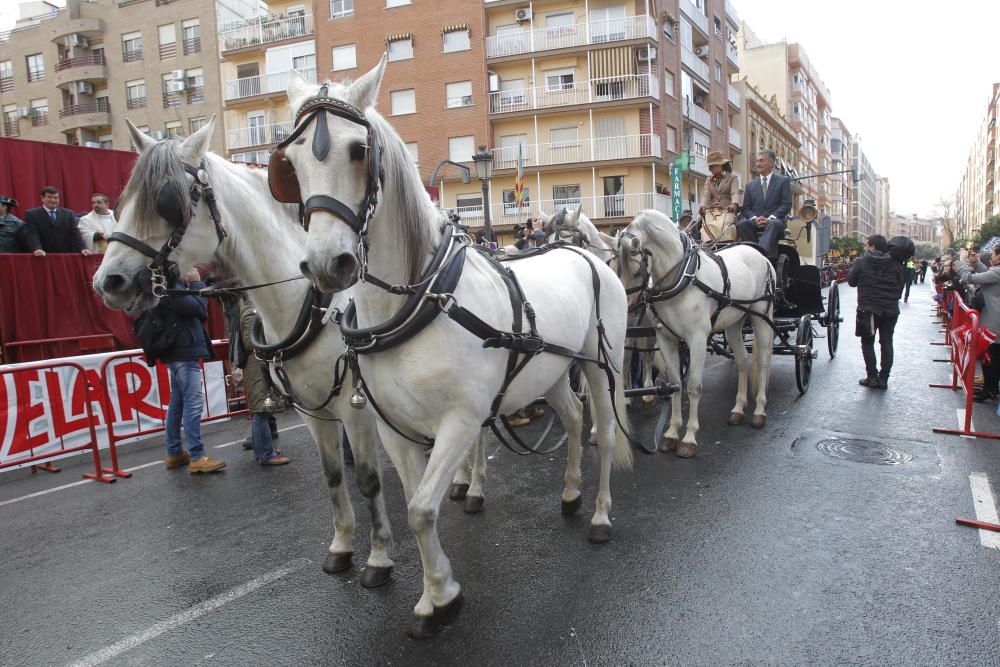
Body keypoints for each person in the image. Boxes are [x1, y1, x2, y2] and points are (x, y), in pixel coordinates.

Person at [162, 267, 226, 473]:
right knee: (192, 403)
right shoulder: (172, 287)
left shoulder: (165, 285)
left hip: (177, 351)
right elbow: (199, 308)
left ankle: (174, 452)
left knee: (178, 402)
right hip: (184, 351)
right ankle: (197, 456)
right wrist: (197, 283)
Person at [231, 295, 290, 466]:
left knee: (262, 411)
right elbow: (250, 343)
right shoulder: (251, 311)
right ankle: (266, 454)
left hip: (258, 367)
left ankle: (262, 449)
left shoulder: (252, 310)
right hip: (257, 369)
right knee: (261, 411)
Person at [848, 234, 903, 389]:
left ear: (872, 246)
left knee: (867, 341)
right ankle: (884, 378)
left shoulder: (861, 261)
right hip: (891, 310)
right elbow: (900, 286)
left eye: (867, 245)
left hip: (869, 309)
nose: (866, 247)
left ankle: (872, 377)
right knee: (887, 342)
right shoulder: (895, 263)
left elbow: (851, 282)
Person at [957, 247, 1000, 401]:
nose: (993, 256)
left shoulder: (998, 272)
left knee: (990, 356)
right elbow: (988, 274)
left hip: (994, 321)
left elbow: (970, 278)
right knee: (993, 355)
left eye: (994, 253)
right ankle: (991, 388)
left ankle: (990, 390)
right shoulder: (996, 272)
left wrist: (962, 262)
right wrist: (976, 263)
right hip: (994, 319)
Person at [737, 149, 792, 258]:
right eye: (757, 161)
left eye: (761, 161)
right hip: (755, 222)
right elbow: (746, 208)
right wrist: (754, 218)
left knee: (773, 224)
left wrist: (770, 218)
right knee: (742, 224)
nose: (758, 164)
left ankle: (760, 255)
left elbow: (786, 205)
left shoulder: (783, 181)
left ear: (771, 163)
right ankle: (753, 253)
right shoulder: (750, 185)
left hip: (775, 222)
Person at [21, 187, 90, 255]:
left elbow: (75, 233)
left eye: (56, 198)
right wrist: (37, 249)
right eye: (50, 197)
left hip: (64, 256)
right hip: (43, 255)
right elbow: (32, 234)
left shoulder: (68, 214)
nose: (53, 200)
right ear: (42, 198)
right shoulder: (32, 214)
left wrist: (82, 248)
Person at [698, 150, 742, 243]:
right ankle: (708, 243)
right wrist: (703, 206)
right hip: (713, 211)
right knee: (705, 223)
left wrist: (733, 205)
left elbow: (735, 193)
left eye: (712, 166)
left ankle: (725, 242)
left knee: (726, 224)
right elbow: (706, 196)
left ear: (720, 165)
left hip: (727, 210)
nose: (709, 169)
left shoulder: (733, 178)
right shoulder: (708, 180)